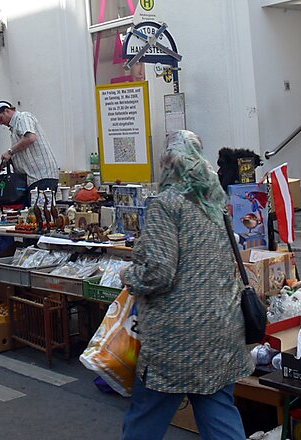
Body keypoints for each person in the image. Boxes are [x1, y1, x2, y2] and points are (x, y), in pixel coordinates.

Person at [119, 130, 252, 440]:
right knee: (219, 411)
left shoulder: (166, 203)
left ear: (168, 163)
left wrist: (128, 276)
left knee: (146, 416)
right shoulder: (215, 202)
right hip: (223, 329)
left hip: (177, 339)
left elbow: (159, 273)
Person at [0, 101, 59, 202]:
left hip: (41, 176)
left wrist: (10, 152)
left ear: (7, 111)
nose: (1, 123)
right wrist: (1, 166)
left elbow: (30, 138)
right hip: (32, 179)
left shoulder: (22, 118)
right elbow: (19, 152)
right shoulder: (14, 129)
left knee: (41, 213)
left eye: (0, 119)